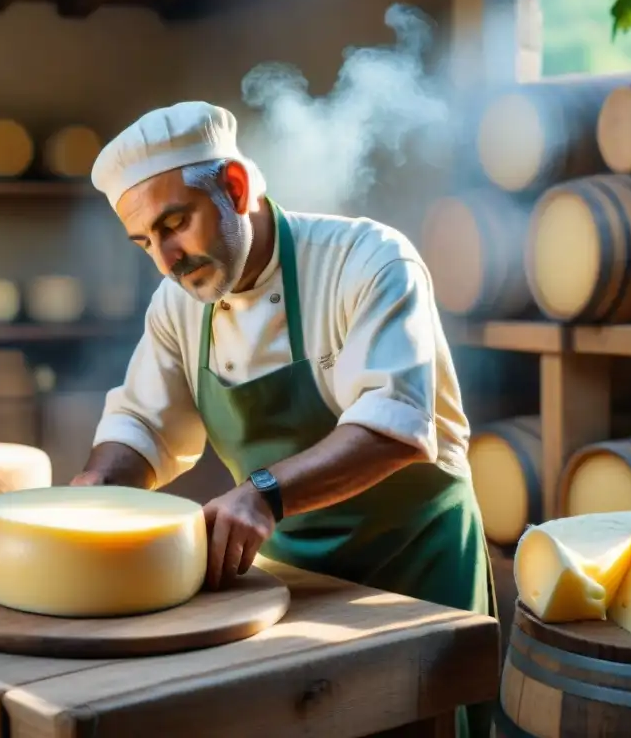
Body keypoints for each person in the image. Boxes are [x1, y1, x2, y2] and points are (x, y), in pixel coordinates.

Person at [72, 101, 497, 738]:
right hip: (294, 581)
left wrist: (263, 494)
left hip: (415, 576)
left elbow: (393, 427)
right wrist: (97, 491)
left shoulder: (370, 260)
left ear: (236, 189)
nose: (166, 259)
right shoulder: (178, 305)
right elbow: (143, 425)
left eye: (175, 224)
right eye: (145, 242)